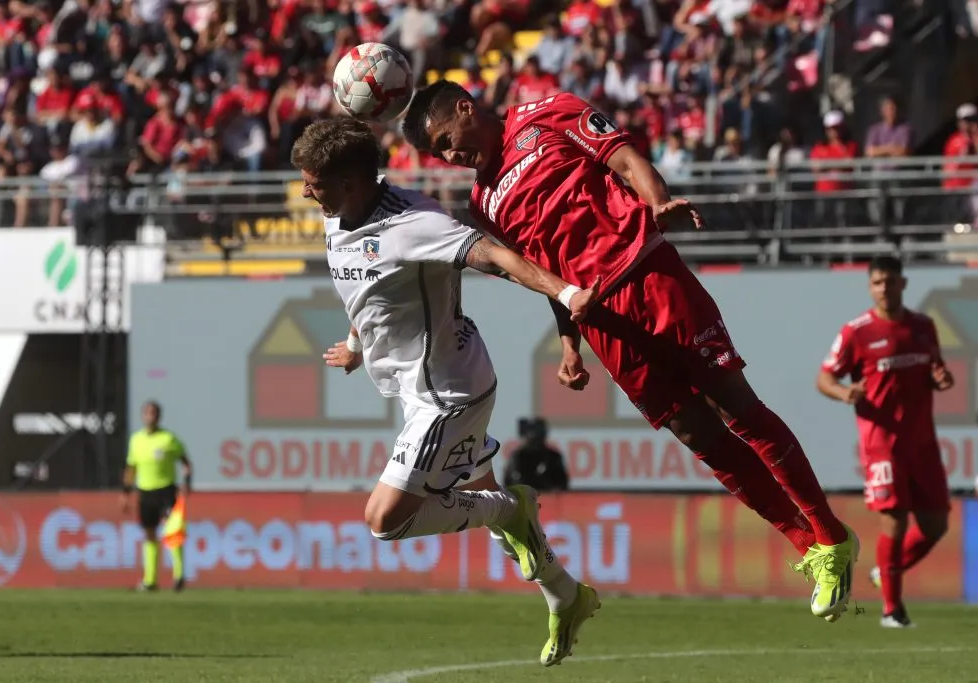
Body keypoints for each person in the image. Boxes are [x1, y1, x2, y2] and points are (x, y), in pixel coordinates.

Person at [402, 81, 859, 622]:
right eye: (440, 154)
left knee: (738, 406)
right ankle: (808, 547)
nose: (452, 156)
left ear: (465, 107)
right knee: (699, 437)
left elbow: (622, 157)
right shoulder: (484, 201)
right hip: (599, 321)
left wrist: (657, 200)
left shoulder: (545, 111)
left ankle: (830, 536)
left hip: (647, 278)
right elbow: (544, 273)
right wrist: (570, 344)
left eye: (449, 140)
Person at [291, 116, 601, 666]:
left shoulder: (415, 223)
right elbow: (367, 295)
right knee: (491, 511)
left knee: (385, 519)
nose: (305, 191)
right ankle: (565, 593)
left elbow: (496, 255)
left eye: (313, 182)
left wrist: (566, 291)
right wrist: (357, 345)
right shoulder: (337, 216)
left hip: (449, 393)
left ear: (349, 182)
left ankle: (509, 507)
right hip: (427, 386)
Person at [816, 256, 953, 628]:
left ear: (903, 284)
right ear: (870, 286)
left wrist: (941, 379)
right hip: (882, 444)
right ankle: (892, 610)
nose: (885, 288)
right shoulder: (856, 331)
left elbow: (935, 370)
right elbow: (825, 378)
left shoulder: (923, 327)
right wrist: (844, 393)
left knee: (935, 525)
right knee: (894, 521)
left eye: (891, 281)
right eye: (878, 282)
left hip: (922, 443)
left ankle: (885, 572)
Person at [121, 401, 192, 592]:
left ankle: (179, 577)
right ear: (143, 416)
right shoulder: (136, 440)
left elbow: (186, 462)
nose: (150, 417)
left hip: (166, 490)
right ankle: (150, 580)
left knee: (172, 532)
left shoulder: (168, 439)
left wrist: (187, 483)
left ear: (159, 417)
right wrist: (126, 494)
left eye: (154, 413)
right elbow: (131, 467)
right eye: (147, 413)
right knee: (149, 533)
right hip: (145, 492)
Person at [503, 417, 570, 491]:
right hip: (521, 499)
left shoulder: (553, 457)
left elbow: (562, 484)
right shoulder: (518, 456)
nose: (534, 439)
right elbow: (511, 481)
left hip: (548, 498)